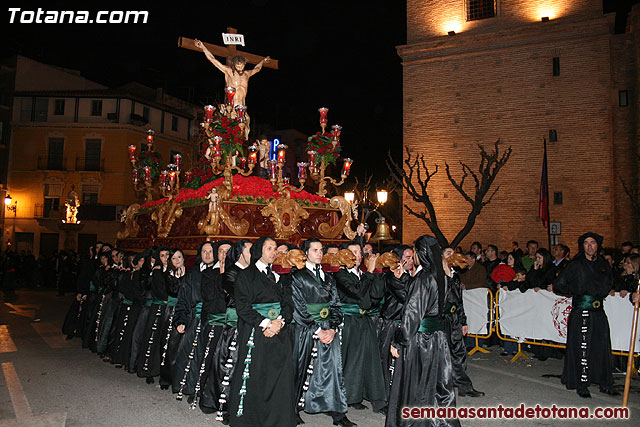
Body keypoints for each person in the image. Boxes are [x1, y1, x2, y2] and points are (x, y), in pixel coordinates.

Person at [386, 235, 459, 427]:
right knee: (434, 383)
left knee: (417, 385)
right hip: (437, 338)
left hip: (420, 340)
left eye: (416, 252)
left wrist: (398, 341)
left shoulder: (425, 277)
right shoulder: (440, 276)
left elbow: (413, 313)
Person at [227, 236, 296, 427]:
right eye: (269, 248)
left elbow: (288, 304)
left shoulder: (280, 276)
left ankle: (277, 420)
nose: (273, 252)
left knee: (279, 378)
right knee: (257, 377)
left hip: (279, 331)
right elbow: (243, 307)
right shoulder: (246, 275)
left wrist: (279, 323)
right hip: (255, 332)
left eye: (275, 249)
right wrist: (266, 323)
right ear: (259, 250)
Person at [291, 238, 353, 427]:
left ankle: (338, 412)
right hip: (306, 328)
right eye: (315, 250)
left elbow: (336, 305)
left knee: (334, 370)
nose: (319, 253)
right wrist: (317, 329)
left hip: (328, 327)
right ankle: (293, 409)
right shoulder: (297, 276)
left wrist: (333, 328)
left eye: (321, 250)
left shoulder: (329, 277)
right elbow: (298, 307)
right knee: (300, 368)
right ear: (306, 253)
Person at [551, 232, 617, 398]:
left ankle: (604, 382)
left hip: (598, 313)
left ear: (597, 245)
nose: (589, 246)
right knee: (583, 348)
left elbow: (610, 281)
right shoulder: (576, 264)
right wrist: (576, 293)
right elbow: (559, 285)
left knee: (600, 346)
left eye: (592, 243)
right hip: (581, 312)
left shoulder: (603, 264)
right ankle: (582, 383)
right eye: (586, 243)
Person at [334, 238, 386, 412]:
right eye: (353, 252)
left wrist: (376, 273)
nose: (358, 256)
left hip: (365, 320)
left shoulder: (364, 274)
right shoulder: (341, 275)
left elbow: (376, 296)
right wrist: (370, 273)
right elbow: (357, 292)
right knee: (352, 361)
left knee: (371, 359)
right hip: (349, 322)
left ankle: (378, 400)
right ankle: (350, 397)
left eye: (359, 252)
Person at [214, 239, 252, 424]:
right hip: (236, 324)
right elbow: (242, 297)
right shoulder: (230, 273)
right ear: (240, 253)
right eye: (251, 250)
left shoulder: (254, 272)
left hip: (252, 323)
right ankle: (227, 406)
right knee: (231, 364)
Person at [442, 248, 484, 398]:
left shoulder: (456, 276)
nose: (451, 256)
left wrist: (463, 320)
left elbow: (459, 300)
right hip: (441, 320)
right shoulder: (437, 276)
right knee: (443, 355)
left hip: (454, 319)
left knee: (459, 352)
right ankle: (443, 388)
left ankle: (464, 386)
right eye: (448, 253)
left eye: (453, 253)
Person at [194, 38, 270, 108]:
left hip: (243, 108)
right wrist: (202, 47)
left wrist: (263, 61)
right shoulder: (229, 71)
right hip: (232, 108)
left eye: (242, 66)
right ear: (234, 65)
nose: (240, 68)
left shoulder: (247, 74)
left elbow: (257, 68)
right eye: (238, 66)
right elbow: (212, 59)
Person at [159, 248, 186, 390]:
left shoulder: (190, 273)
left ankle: (179, 378)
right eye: (174, 258)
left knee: (182, 347)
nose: (177, 261)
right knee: (169, 345)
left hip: (186, 312)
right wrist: (177, 277)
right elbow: (174, 291)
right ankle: (165, 378)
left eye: (179, 257)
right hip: (171, 311)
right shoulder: (168, 275)